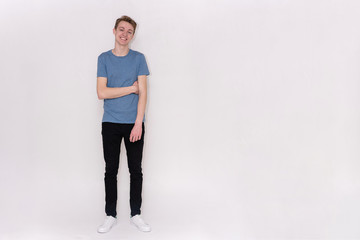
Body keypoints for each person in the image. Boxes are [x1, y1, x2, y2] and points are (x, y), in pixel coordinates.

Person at [96, 15, 151, 233]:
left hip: (133, 123)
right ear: (114, 31)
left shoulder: (139, 58)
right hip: (110, 122)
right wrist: (130, 88)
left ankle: (136, 214)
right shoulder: (103, 58)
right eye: (121, 29)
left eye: (129, 31)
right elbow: (102, 92)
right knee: (111, 170)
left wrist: (138, 122)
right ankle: (110, 215)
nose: (124, 34)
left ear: (133, 36)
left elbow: (144, 92)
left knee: (135, 170)